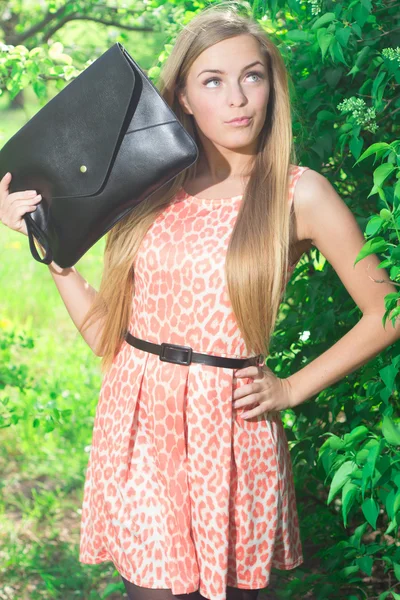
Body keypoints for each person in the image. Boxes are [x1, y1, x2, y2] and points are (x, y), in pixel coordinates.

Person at [1, 3, 399, 600]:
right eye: (212, 81)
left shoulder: (299, 192)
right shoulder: (150, 190)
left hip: (229, 435)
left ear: (271, 85)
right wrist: (55, 258)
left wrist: (291, 388)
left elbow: (386, 311)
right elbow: (113, 341)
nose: (237, 98)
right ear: (184, 97)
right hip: (138, 427)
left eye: (252, 76)